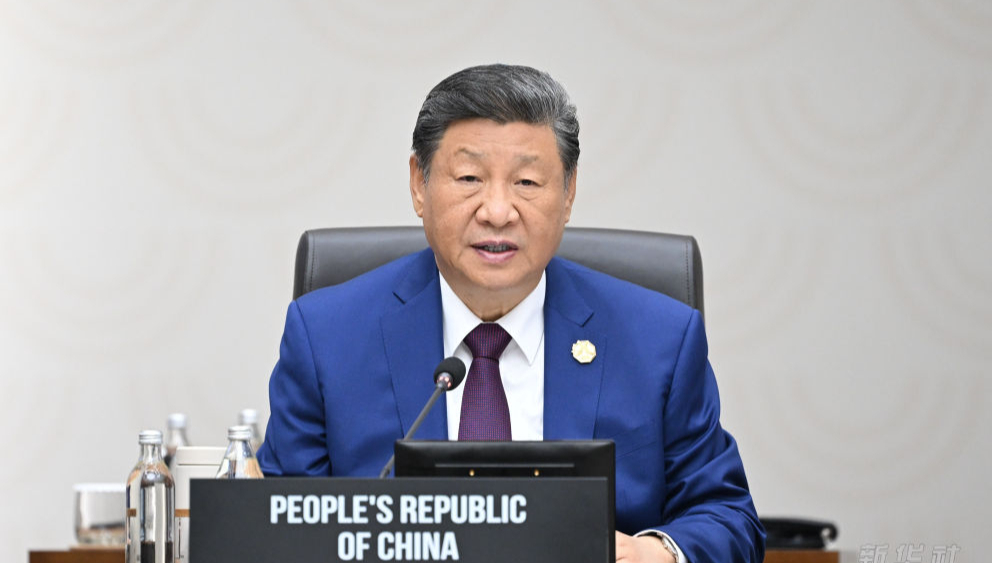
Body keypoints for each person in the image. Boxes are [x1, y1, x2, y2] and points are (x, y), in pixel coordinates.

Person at [257, 64, 765, 563]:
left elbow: (728, 518)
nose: (497, 211)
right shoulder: (327, 337)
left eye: (527, 181)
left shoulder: (659, 341)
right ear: (418, 184)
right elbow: (274, 526)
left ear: (568, 192)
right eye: (469, 177)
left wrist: (651, 553)